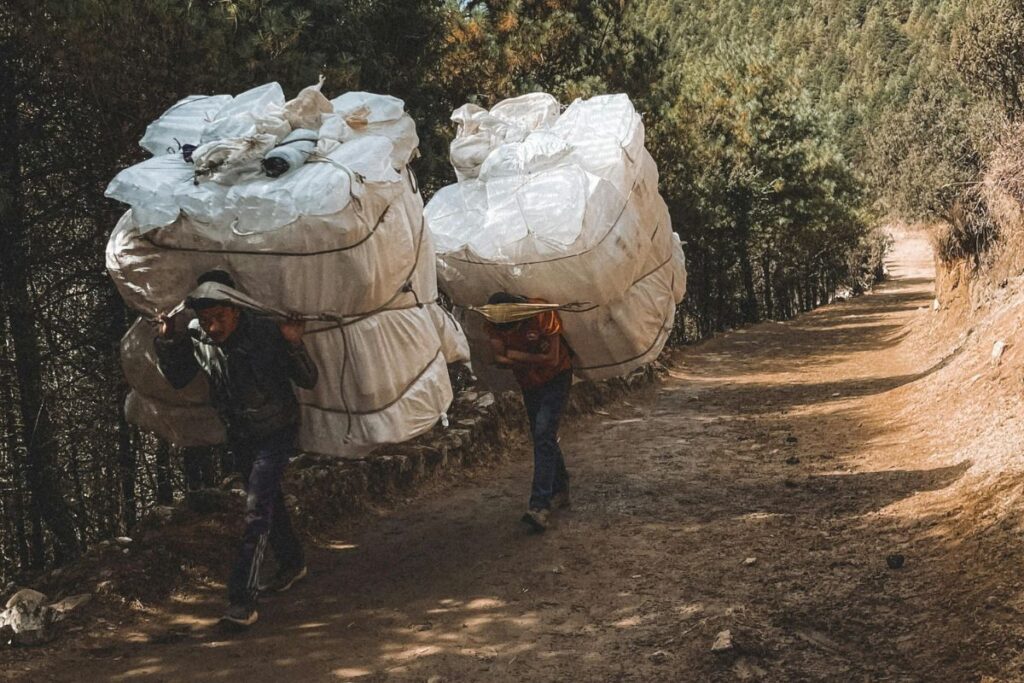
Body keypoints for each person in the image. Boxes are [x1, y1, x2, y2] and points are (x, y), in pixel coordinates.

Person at [153, 270, 318, 627]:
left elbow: (308, 379)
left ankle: (242, 600)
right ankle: (293, 563)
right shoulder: (198, 336)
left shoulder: (264, 333)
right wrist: (167, 341)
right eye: (206, 319)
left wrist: (292, 343)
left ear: (236, 310)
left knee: (257, 509)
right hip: (241, 434)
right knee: (267, 499)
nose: (212, 327)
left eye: (219, 318)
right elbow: (179, 379)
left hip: (276, 429)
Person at [485, 292, 573, 532]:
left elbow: (553, 359)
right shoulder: (493, 319)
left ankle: (539, 506)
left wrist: (514, 355)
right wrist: (533, 358)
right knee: (541, 435)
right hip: (530, 382)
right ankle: (561, 487)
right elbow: (498, 357)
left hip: (556, 378)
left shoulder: (542, 313)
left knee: (544, 433)